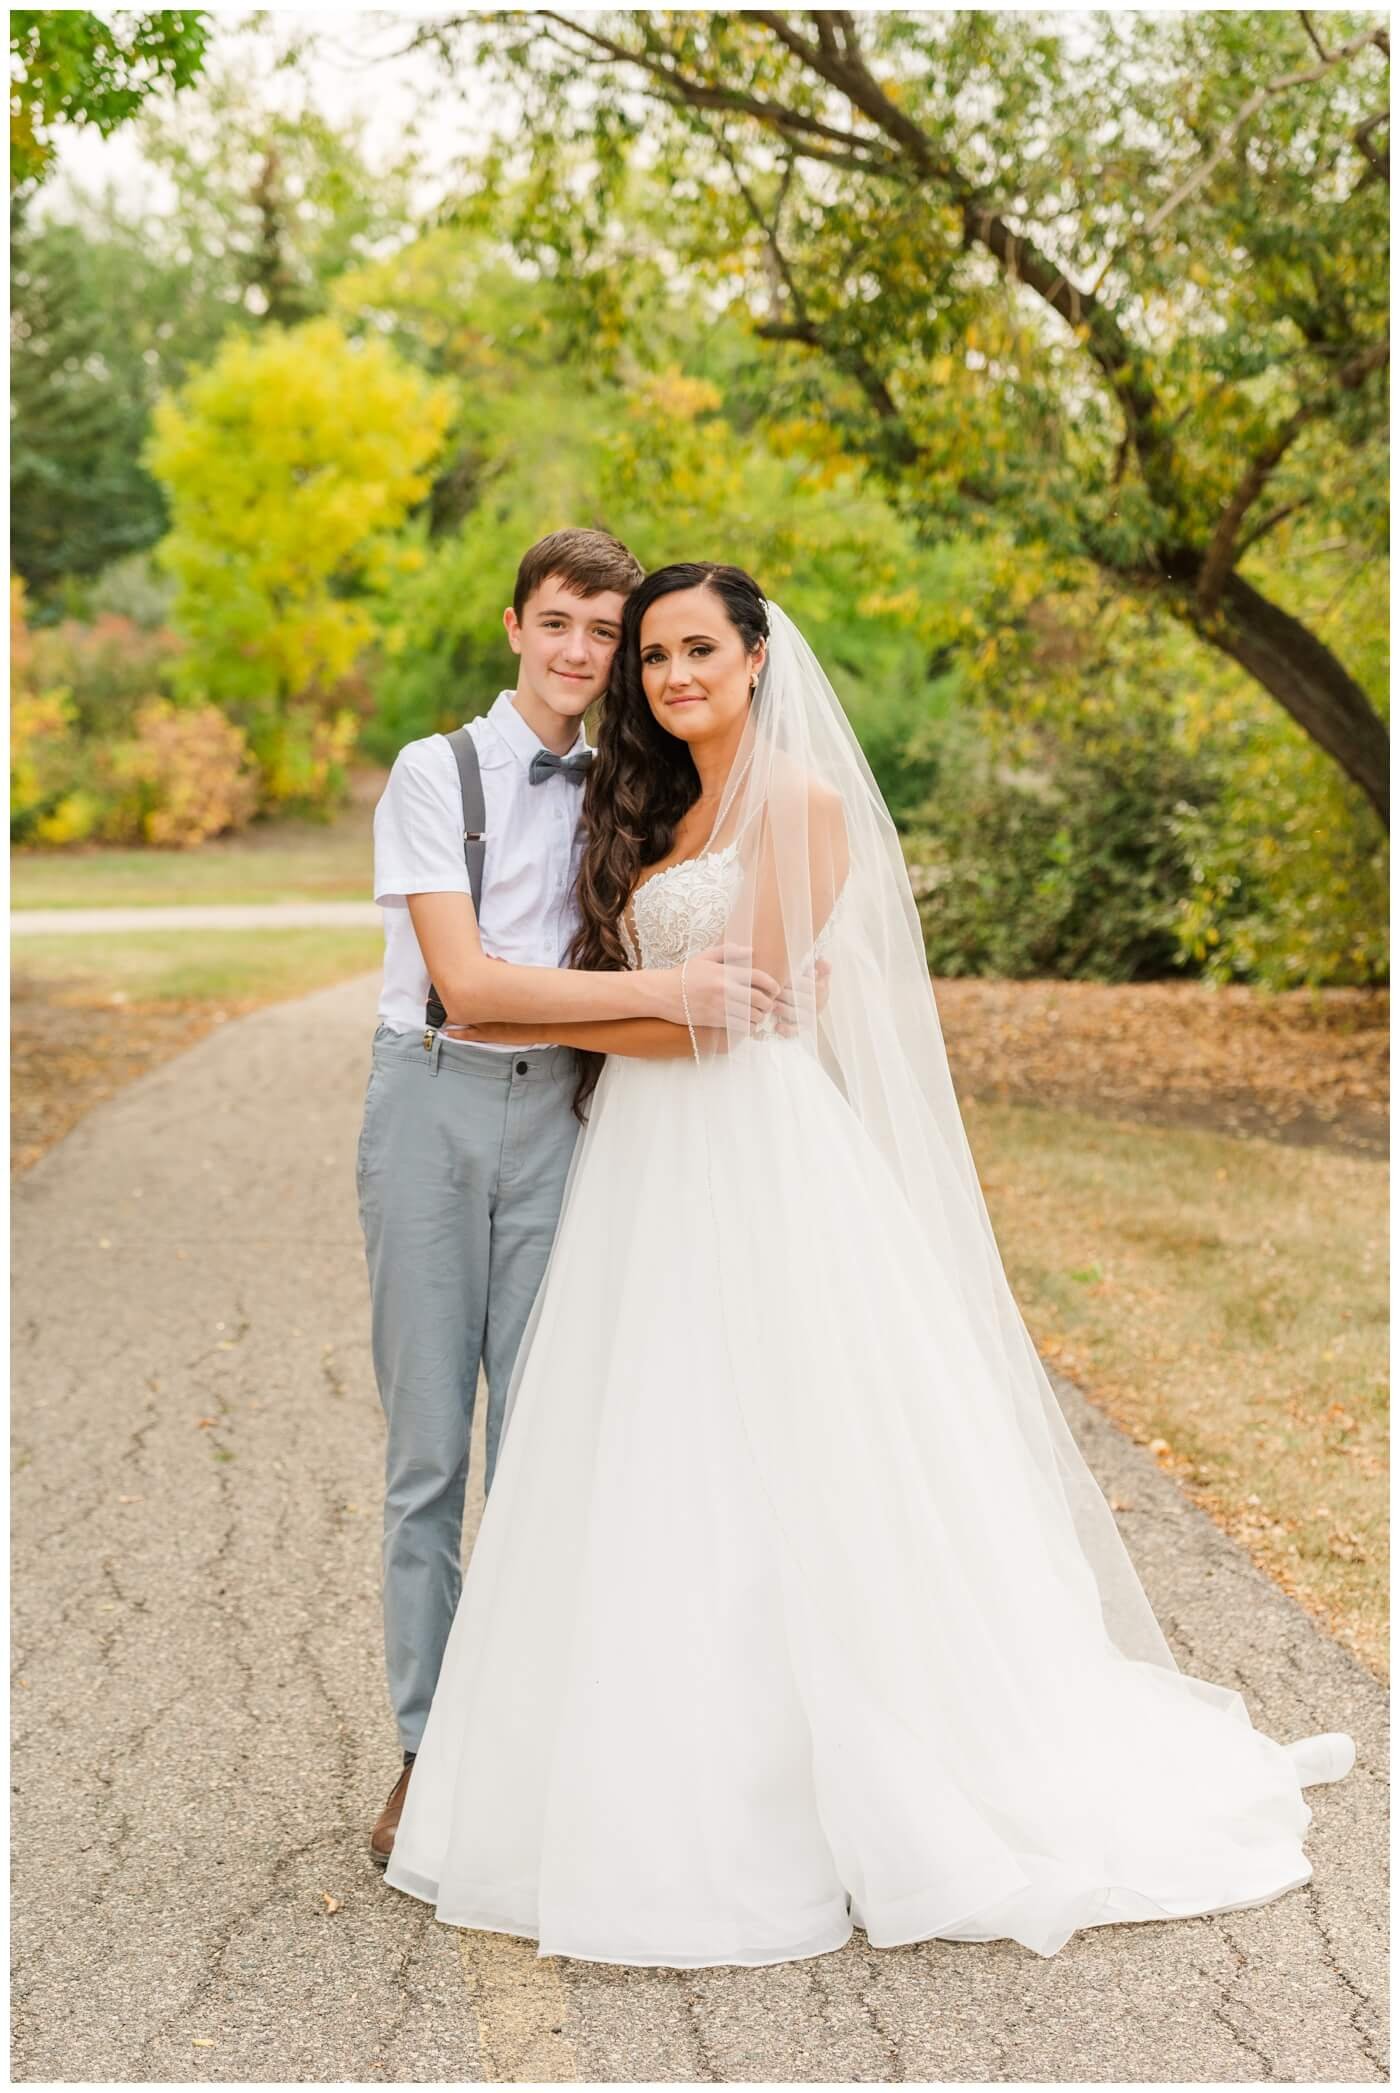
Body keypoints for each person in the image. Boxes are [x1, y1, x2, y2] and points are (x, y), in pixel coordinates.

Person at [382, 561, 1355, 1966]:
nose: (672, 676)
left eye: (696, 648)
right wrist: (651, 1001)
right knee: (651, 1459)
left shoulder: (805, 806)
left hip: (750, 1151)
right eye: (652, 656)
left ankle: (833, 1779)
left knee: (795, 1454)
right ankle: (630, 1755)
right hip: (644, 1164)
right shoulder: (653, 803)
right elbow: (696, 999)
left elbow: (745, 1021)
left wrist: (558, 1021)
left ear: (761, 655)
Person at [358, 532, 779, 1866]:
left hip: (568, 1112)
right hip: (431, 1100)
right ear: (514, 626)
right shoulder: (436, 772)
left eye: (608, 632)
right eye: (561, 624)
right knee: (433, 1456)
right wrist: (673, 995)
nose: (584, 654)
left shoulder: (630, 788)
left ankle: (533, 1749)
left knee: (556, 1449)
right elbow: (471, 984)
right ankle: (429, 1751)